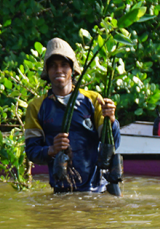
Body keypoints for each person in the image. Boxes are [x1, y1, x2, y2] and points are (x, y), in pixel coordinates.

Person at [24, 37, 120, 193]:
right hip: (61, 191)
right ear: (47, 72)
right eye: (53, 66)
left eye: (64, 65)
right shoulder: (36, 107)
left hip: (96, 189)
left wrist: (112, 121)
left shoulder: (93, 100)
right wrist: (52, 149)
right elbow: (32, 152)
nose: (59, 70)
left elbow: (112, 143)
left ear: (73, 70)